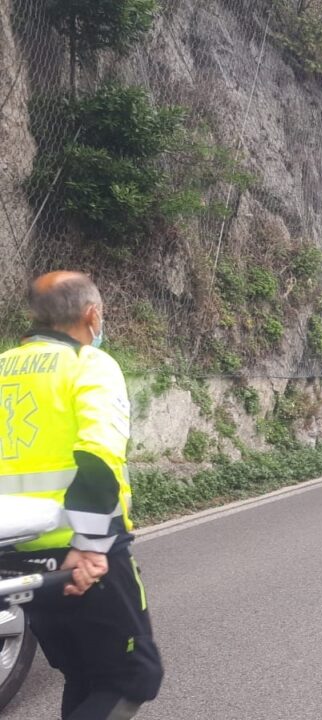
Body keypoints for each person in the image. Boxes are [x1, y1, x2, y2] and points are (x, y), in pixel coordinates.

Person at [0, 271, 163, 719]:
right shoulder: (88, 364)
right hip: (82, 547)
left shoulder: (2, 366)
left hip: (16, 554)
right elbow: (98, 455)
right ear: (92, 315)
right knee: (133, 676)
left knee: (85, 674)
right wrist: (91, 548)